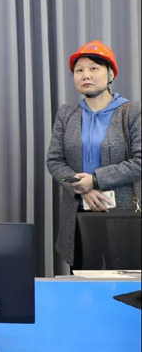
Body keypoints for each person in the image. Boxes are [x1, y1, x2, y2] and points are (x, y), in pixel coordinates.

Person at [47, 40, 141, 270]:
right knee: (83, 277)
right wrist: (83, 188)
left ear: (111, 74)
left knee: (123, 280)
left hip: (123, 213)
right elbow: (55, 160)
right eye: (79, 70)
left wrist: (96, 180)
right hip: (79, 212)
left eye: (94, 68)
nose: (85, 75)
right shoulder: (66, 115)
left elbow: (139, 162)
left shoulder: (132, 112)